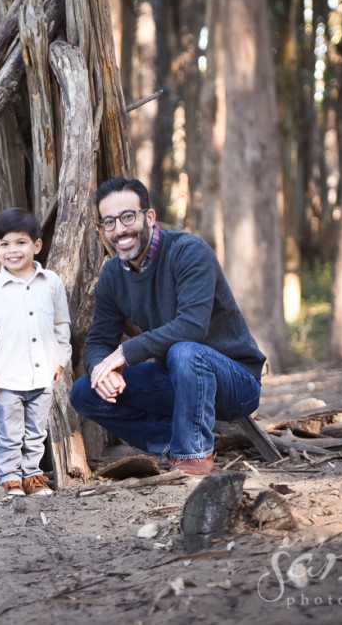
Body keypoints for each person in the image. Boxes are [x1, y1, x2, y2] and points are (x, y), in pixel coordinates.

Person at [69, 177, 266, 477]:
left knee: (185, 351)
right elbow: (98, 340)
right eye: (109, 222)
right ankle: (174, 446)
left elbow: (191, 327)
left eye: (127, 217)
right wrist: (103, 370)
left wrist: (124, 354)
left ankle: (194, 457)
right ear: (101, 230)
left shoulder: (188, 251)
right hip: (177, 380)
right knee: (85, 392)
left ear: (149, 217)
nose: (119, 229)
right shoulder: (112, 275)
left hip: (236, 382)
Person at [0, 208, 72, 497]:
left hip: (43, 376)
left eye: (21, 242)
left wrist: (60, 360)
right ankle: (10, 476)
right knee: (9, 433)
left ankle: (33, 474)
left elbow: (61, 324)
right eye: (4, 244)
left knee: (36, 432)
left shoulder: (51, 282)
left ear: (37, 246)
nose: (12, 250)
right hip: (6, 377)